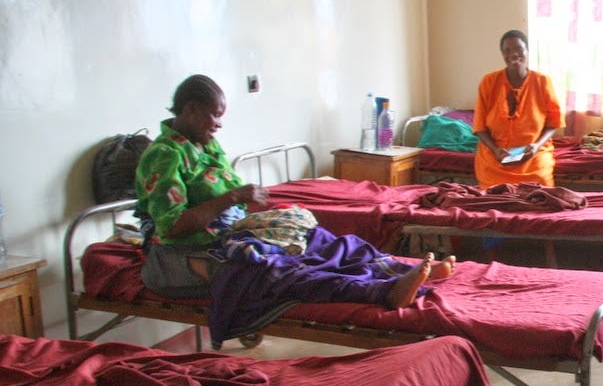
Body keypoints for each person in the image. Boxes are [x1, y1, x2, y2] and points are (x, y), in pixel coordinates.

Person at [135, 74, 454, 314]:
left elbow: (227, 197)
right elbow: (172, 226)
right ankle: (382, 292)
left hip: (227, 237)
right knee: (281, 271)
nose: (219, 124)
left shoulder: (204, 144)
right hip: (178, 255)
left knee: (325, 242)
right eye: (214, 115)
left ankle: (401, 271)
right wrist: (233, 198)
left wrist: (257, 213)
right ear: (190, 109)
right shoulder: (165, 155)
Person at [472, 29, 564, 188]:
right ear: (502, 54)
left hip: (533, 155)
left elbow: (553, 122)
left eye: (519, 49)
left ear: (527, 51)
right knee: (495, 194)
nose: (513, 55)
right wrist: (495, 150)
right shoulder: (489, 82)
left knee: (540, 188)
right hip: (496, 157)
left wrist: (536, 146)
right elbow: (480, 126)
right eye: (507, 51)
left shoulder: (542, 81)